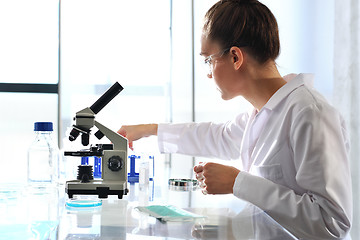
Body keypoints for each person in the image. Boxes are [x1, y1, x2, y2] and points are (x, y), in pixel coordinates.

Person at [118, 0, 352, 239]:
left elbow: (331, 225)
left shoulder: (310, 113)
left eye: (209, 60)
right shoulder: (264, 111)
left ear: (235, 57)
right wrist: (148, 130)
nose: (208, 74)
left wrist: (238, 182)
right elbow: (219, 136)